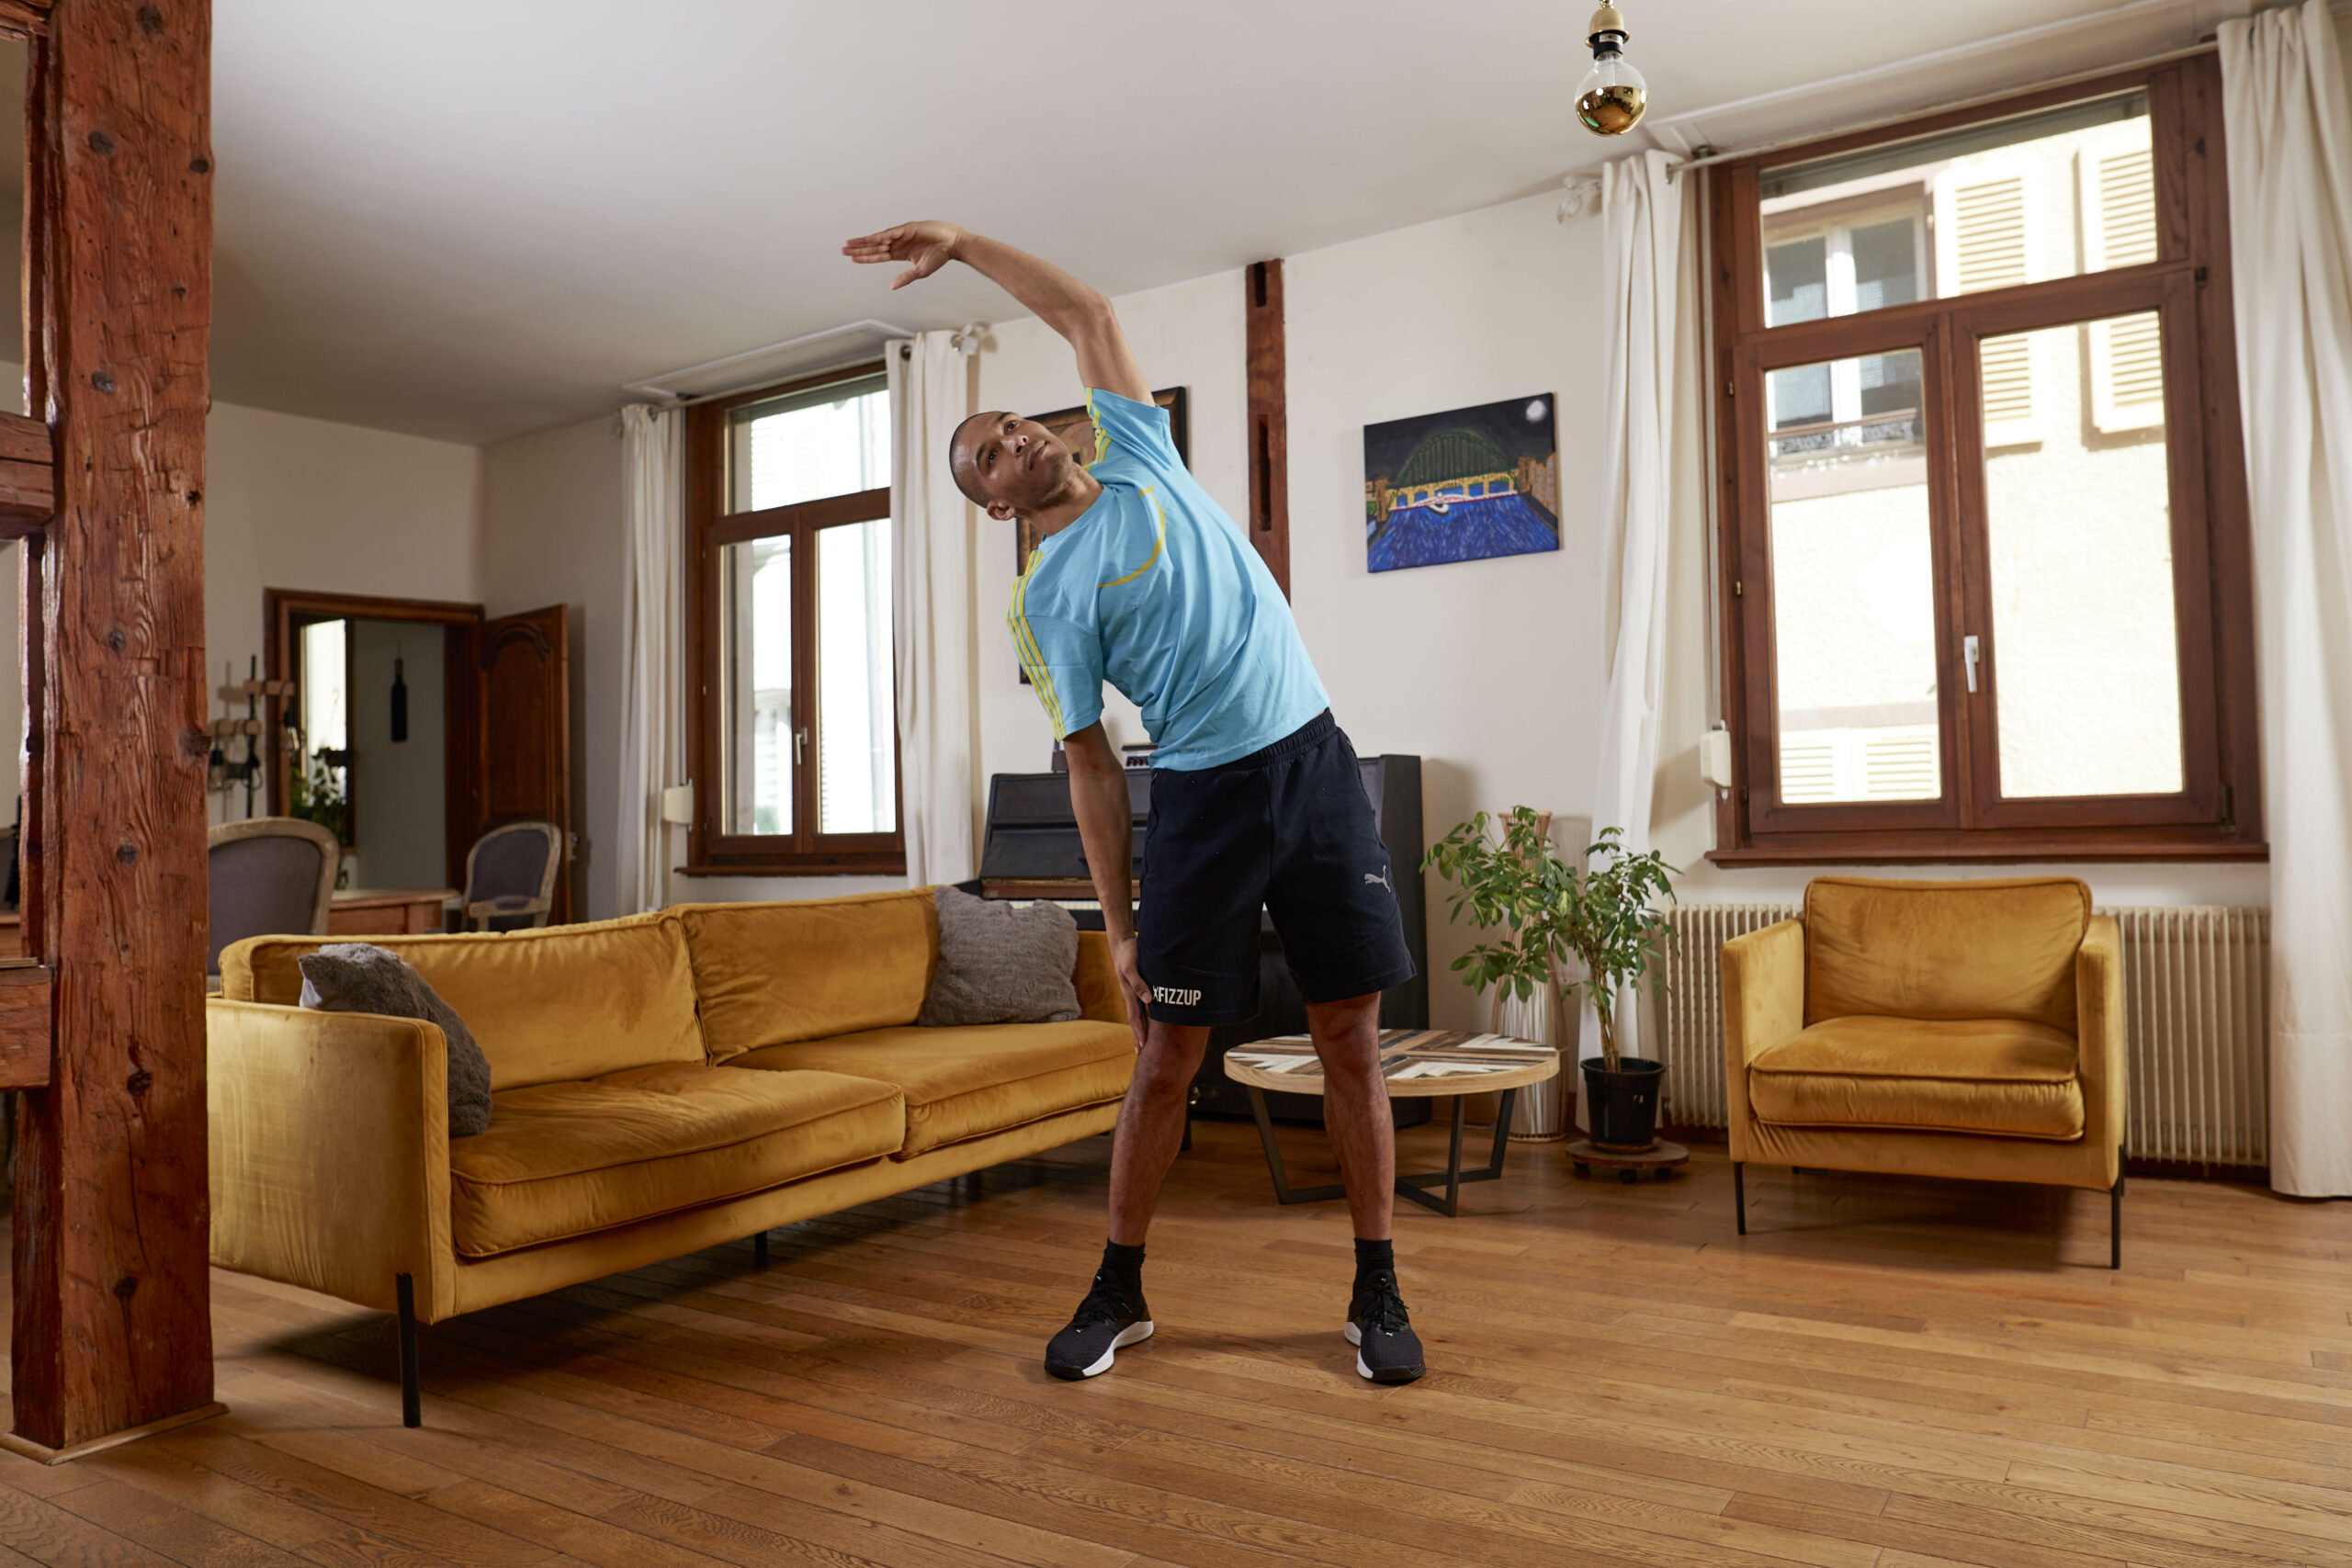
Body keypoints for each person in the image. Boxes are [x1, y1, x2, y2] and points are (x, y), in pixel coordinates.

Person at [842, 221, 1424, 1385]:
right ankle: (1120, 1284)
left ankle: (1377, 1288)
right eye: (988, 455)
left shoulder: (1143, 453)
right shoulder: (1046, 600)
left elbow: (1086, 313)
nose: (1011, 437)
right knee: (1165, 1058)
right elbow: (1092, 767)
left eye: (1009, 422)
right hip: (1203, 800)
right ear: (996, 506)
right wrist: (1113, 924)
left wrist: (961, 246)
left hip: (1314, 766)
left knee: (1349, 1042)